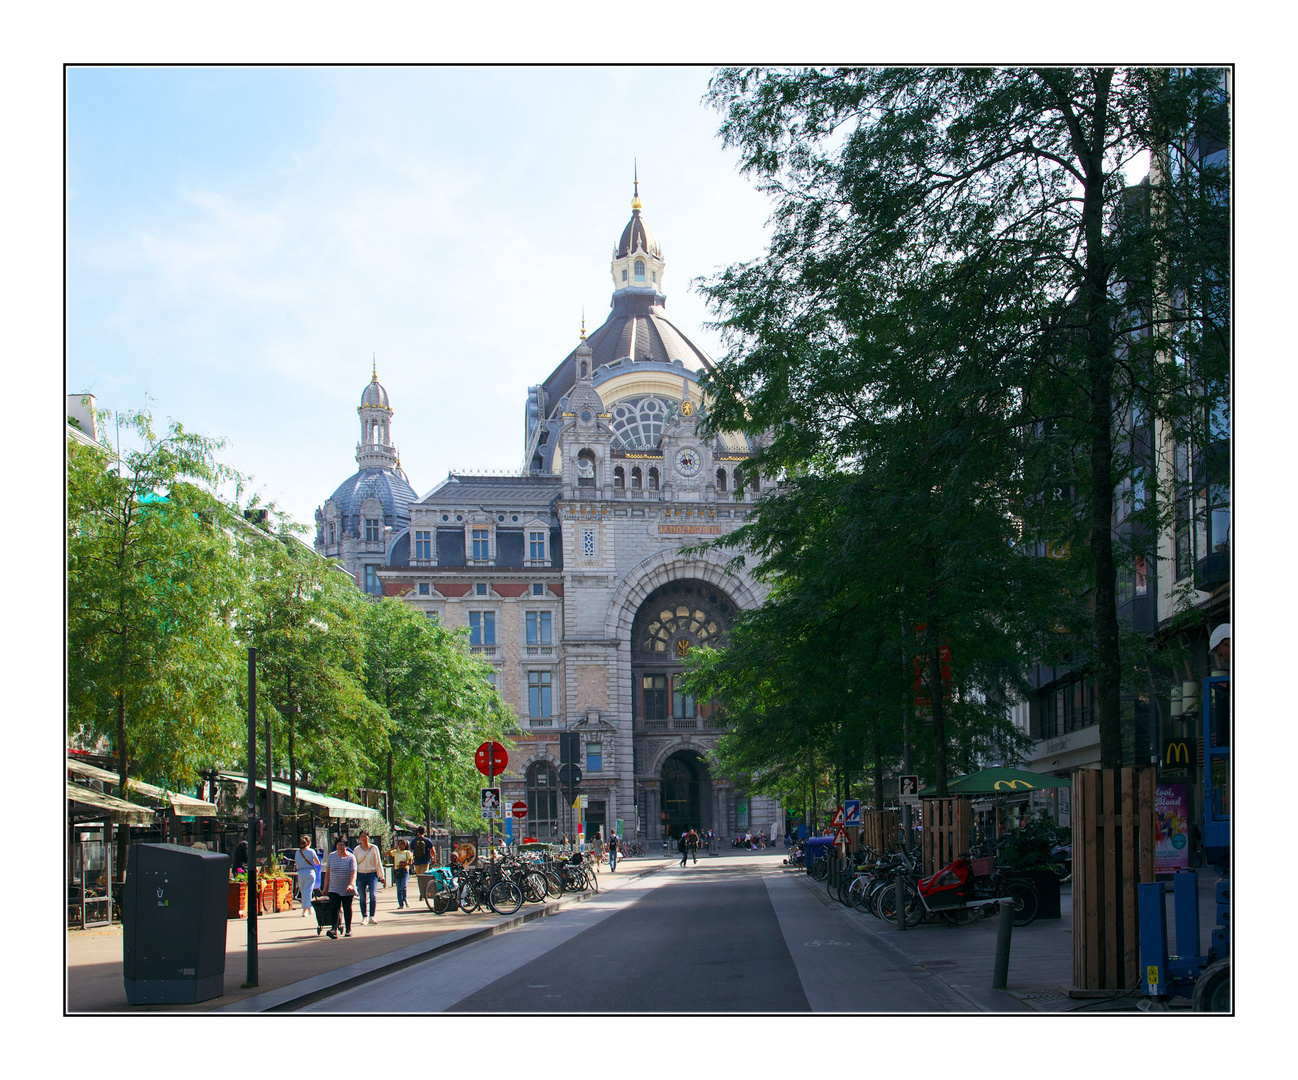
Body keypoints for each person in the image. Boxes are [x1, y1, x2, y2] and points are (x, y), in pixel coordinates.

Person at [322, 836, 357, 939]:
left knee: (347, 908)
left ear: (346, 846)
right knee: (334, 908)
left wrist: (351, 884)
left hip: (347, 888)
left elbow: (353, 873)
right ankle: (334, 929)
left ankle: (348, 929)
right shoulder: (331, 857)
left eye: (342, 845)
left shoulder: (351, 858)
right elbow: (328, 873)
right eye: (338, 845)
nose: (340, 847)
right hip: (334, 887)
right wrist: (325, 887)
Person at [353, 829, 384, 925]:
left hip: (372, 873)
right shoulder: (356, 850)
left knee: (373, 895)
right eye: (362, 836)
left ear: (368, 837)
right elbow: (354, 864)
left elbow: (378, 862)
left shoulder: (374, 848)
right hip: (361, 874)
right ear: (359, 838)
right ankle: (364, 916)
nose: (364, 838)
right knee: (362, 896)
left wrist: (381, 875)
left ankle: (372, 916)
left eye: (365, 836)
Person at [294, 834, 321, 918]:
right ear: (309, 842)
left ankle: (307, 908)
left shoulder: (297, 852)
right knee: (308, 890)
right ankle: (307, 908)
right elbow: (317, 862)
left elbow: (296, 864)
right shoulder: (311, 851)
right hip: (310, 872)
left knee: (303, 890)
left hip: (301, 872)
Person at [391, 837, 413, 909]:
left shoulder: (407, 853)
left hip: (404, 871)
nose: (400, 846)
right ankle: (401, 904)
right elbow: (386, 853)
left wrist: (403, 864)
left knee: (403, 886)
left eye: (402, 844)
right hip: (397, 871)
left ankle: (405, 899)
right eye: (399, 844)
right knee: (398, 888)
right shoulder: (396, 852)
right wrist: (393, 848)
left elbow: (411, 862)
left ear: (405, 845)